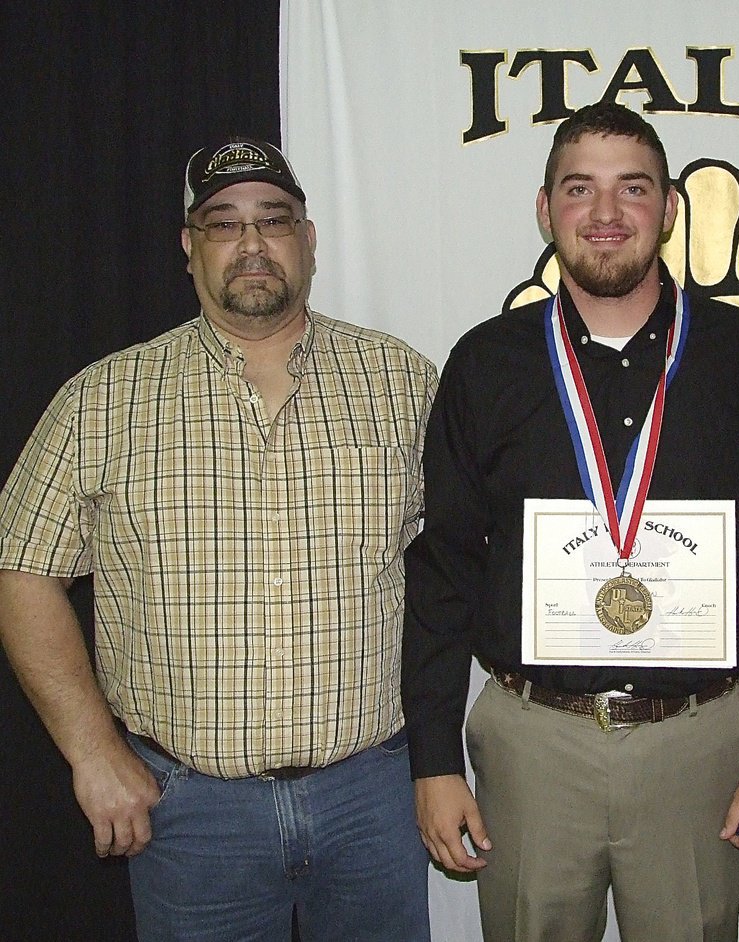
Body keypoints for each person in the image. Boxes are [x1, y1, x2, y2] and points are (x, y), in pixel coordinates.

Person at [0, 138, 436, 941]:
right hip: (189, 814)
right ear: (189, 246)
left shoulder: (403, 382)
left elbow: (475, 549)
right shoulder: (103, 400)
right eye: (223, 224)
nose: (253, 244)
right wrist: (93, 753)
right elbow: (24, 572)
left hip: (372, 798)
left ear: (308, 240)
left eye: (275, 221)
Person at [401, 102, 739, 942]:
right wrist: (435, 761)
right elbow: (444, 566)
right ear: (545, 208)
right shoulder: (487, 363)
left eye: (634, 188)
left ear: (667, 207)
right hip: (532, 742)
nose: (606, 213)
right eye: (579, 188)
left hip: (698, 741)